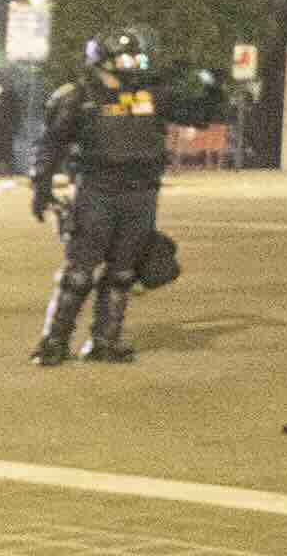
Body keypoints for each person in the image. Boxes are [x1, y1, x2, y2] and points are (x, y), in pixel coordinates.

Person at [29, 28, 220, 364]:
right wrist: (41, 188)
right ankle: (54, 341)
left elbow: (201, 115)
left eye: (138, 58)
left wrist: (212, 86)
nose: (134, 65)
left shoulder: (151, 96)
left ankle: (105, 340)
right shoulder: (79, 97)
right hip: (97, 191)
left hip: (142, 192)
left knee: (122, 272)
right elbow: (51, 145)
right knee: (79, 272)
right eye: (126, 58)